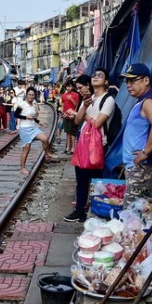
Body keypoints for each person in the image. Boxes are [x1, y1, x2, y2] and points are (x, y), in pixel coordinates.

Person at [64, 70, 116, 223]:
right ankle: (79, 211)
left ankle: (95, 213)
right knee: (81, 180)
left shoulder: (108, 100)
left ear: (106, 82)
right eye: (94, 75)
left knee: (96, 181)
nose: (95, 77)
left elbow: (98, 123)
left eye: (100, 75)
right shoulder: (88, 98)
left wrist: (83, 113)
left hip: (98, 145)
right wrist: (83, 108)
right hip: (83, 143)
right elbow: (77, 120)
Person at [120, 63, 152, 207]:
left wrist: (146, 152)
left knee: (132, 214)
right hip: (139, 168)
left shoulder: (149, 101)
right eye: (127, 81)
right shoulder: (142, 102)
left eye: (133, 80)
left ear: (146, 80)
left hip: (143, 168)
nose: (128, 85)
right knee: (137, 213)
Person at [15, 87, 53, 175]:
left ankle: (47, 153)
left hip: (33, 128)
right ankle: (23, 168)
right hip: (24, 129)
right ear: (26, 95)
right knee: (27, 149)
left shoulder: (33, 104)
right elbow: (15, 114)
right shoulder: (22, 104)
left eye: (32, 95)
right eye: (29, 94)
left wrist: (39, 122)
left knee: (45, 138)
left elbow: (33, 117)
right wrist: (25, 117)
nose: (31, 96)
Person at [60, 81, 80, 155]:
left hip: (72, 115)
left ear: (73, 87)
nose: (68, 88)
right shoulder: (64, 95)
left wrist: (71, 99)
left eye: (70, 86)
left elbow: (76, 106)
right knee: (67, 132)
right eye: (67, 86)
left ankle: (73, 148)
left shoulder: (76, 95)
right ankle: (67, 148)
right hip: (65, 115)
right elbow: (63, 105)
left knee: (72, 133)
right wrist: (62, 113)